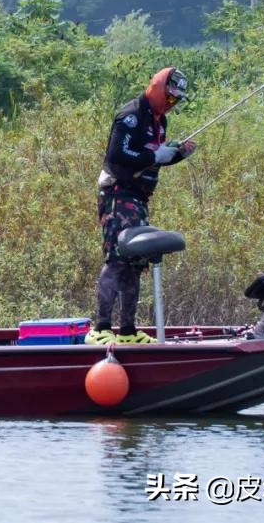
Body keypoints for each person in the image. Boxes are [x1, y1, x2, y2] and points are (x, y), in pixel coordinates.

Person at [86, 67, 196, 345]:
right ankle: (100, 328)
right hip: (118, 194)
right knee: (118, 258)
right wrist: (154, 153)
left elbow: (152, 159)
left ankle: (127, 331)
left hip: (138, 199)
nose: (171, 103)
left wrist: (176, 154)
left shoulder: (160, 122)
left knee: (135, 262)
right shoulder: (131, 116)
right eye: (168, 97)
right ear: (158, 89)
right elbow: (118, 154)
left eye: (176, 100)